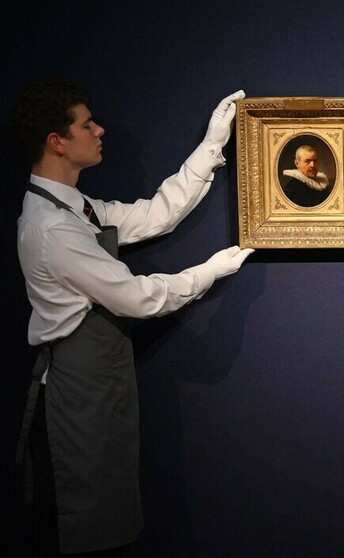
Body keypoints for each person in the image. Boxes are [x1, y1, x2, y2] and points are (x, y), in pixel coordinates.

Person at [12, 79, 254, 557]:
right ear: (57, 141)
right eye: (87, 125)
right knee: (82, 528)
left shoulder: (74, 207)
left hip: (100, 390)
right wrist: (207, 273)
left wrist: (212, 145)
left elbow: (155, 215)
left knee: (108, 522)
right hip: (76, 400)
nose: (99, 130)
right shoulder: (52, 227)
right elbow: (138, 298)